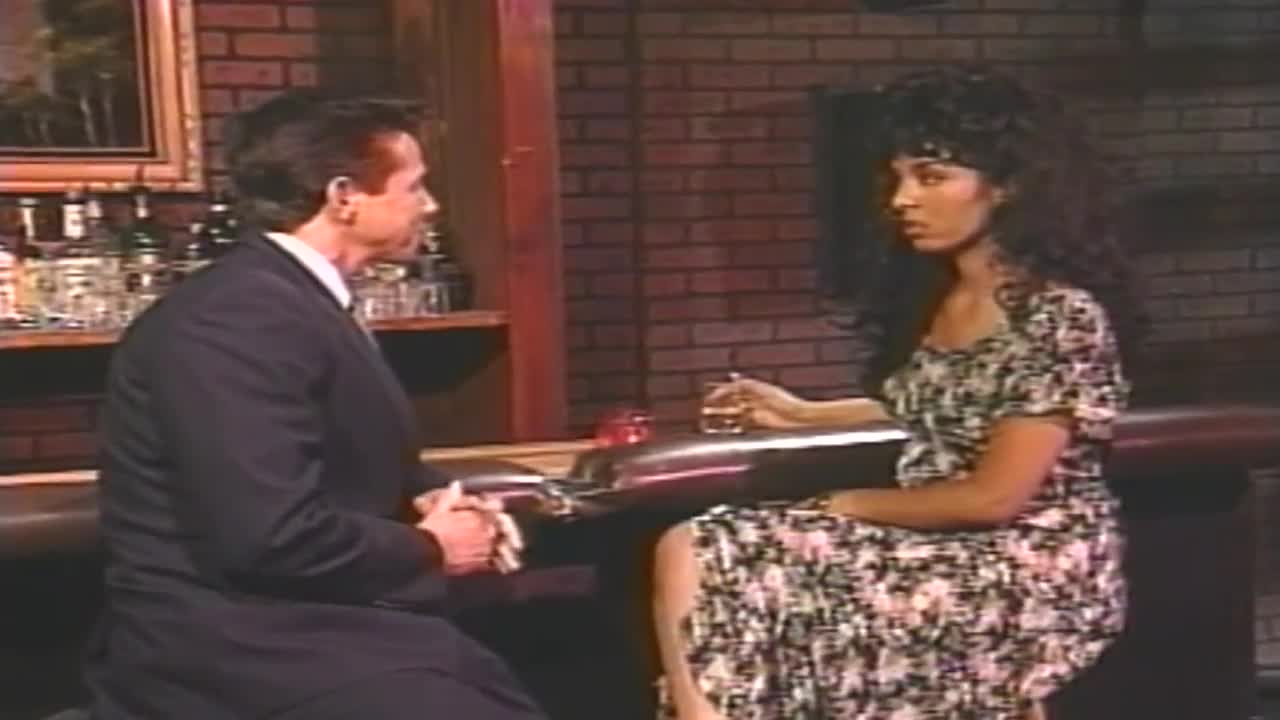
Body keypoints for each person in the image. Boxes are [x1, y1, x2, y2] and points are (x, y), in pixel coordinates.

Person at [652, 65, 1146, 720]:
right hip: (936, 544)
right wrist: (800, 413)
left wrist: (841, 506)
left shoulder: (1059, 316)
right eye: (898, 178)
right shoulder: (943, 298)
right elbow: (943, 409)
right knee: (705, 552)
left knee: (710, 550)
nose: (902, 200)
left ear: (1006, 186)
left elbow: (992, 497)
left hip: (1028, 565)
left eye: (931, 177)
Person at [86, 91, 545, 719]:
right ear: (343, 197)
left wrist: (435, 497)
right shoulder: (234, 320)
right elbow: (269, 534)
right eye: (414, 186)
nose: (431, 205)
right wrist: (432, 548)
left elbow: (344, 458)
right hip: (238, 646)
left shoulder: (293, 300)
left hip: (320, 627)